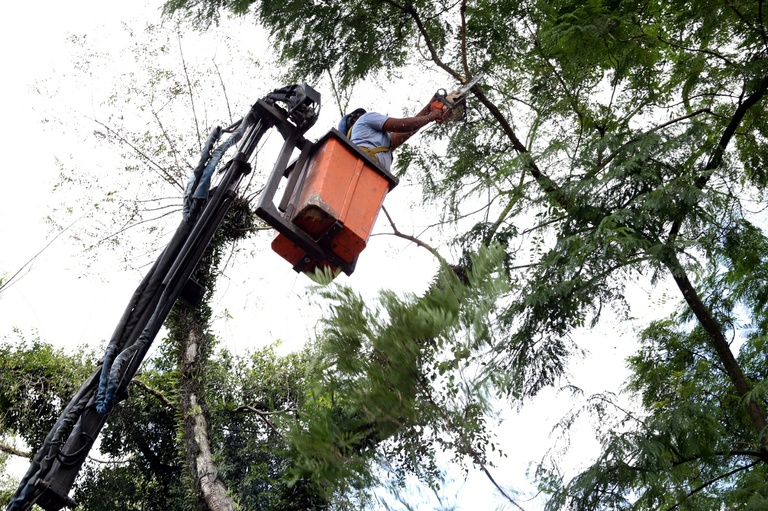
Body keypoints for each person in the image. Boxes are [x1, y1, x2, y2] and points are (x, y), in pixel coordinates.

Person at [338, 99, 449, 171]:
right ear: (354, 120)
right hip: (368, 170)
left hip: (370, 176)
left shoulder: (375, 142)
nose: (359, 115)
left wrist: (429, 108)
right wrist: (430, 117)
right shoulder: (365, 119)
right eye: (356, 115)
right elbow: (402, 125)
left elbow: (406, 131)